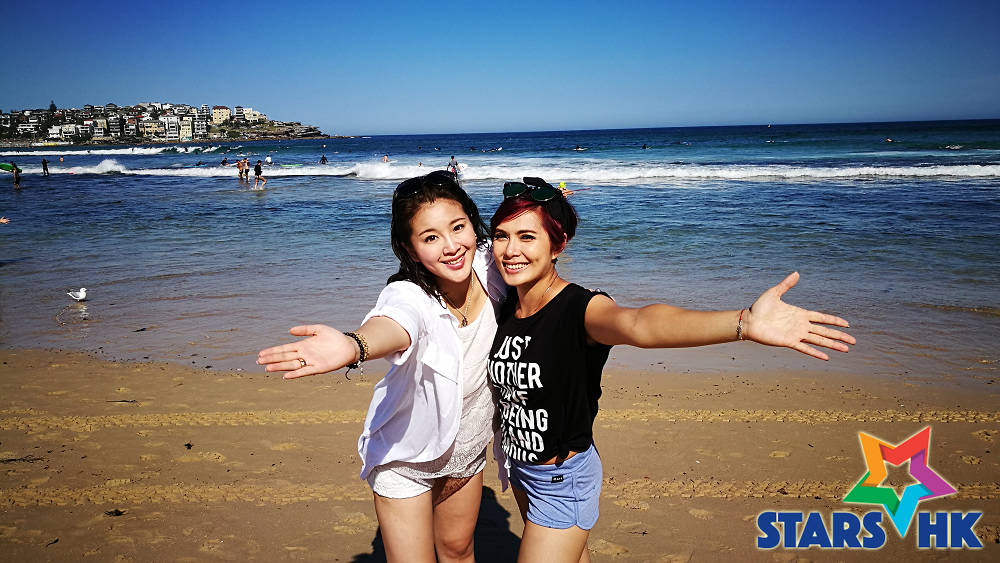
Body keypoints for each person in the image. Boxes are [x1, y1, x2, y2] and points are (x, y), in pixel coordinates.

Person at [487, 177, 856, 562]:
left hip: (563, 481)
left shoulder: (581, 309)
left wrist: (743, 323)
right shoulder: (506, 303)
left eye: (527, 237)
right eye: (501, 236)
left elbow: (641, 324)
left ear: (558, 244)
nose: (511, 250)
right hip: (521, 469)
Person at [257, 171, 507, 563]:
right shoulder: (410, 295)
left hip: (467, 449)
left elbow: (537, 250)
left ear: (474, 225)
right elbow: (395, 322)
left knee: (459, 551)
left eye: (458, 227)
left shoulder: (493, 267)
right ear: (411, 250)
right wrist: (354, 345)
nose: (451, 246)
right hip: (405, 457)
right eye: (430, 238)